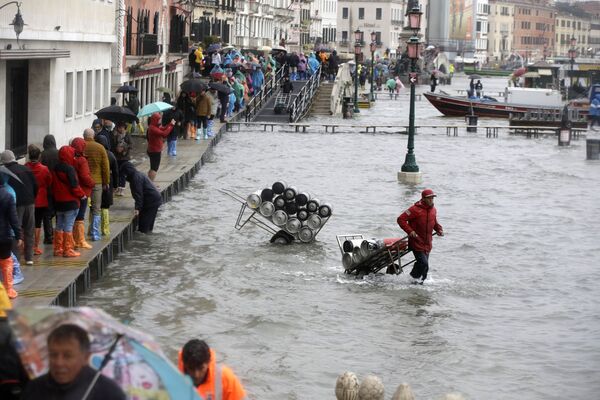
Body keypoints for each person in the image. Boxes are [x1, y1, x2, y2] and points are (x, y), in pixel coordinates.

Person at [21, 324, 126, 400]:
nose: (59, 363)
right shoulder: (34, 388)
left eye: (67, 356)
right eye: (53, 355)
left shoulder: (108, 393)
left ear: (85, 357)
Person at [397, 189, 444, 284]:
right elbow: (400, 219)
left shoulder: (433, 210)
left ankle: (419, 285)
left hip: (427, 243)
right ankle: (411, 280)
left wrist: (439, 229)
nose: (431, 200)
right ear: (423, 199)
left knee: (425, 267)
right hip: (416, 242)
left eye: (432, 198)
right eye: (429, 198)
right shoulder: (414, 209)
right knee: (423, 263)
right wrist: (410, 231)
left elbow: (434, 223)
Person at [0, 150, 38, 266]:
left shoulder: (6, 173)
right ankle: (29, 257)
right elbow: (36, 185)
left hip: (16, 204)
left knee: (15, 230)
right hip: (30, 203)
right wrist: (32, 198)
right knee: (29, 230)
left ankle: (15, 258)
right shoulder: (26, 169)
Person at [178, 339, 247, 400]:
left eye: (201, 368)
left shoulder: (225, 377)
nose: (196, 375)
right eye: (191, 368)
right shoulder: (173, 377)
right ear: (184, 364)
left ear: (208, 362)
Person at [52, 146, 86, 258]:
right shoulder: (70, 169)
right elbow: (74, 186)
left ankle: (58, 248)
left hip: (58, 202)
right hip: (70, 202)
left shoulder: (55, 168)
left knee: (59, 225)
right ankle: (68, 249)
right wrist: (82, 195)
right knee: (68, 225)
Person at [119, 162, 162, 234]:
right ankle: (148, 234)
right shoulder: (138, 174)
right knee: (149, 224)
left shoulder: (135, 179)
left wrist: (137, 208)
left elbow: (138, 195)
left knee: (143, 227)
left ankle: (144, 238)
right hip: (154, 199)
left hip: (151, 201)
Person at [83, 128, 110, 241]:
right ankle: (95, 233)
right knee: (96, 208)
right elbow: (105, 167)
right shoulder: (100, 148)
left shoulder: (81, 146)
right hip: (97, 182)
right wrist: (106, 182)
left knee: (81, 208)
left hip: (83, 182)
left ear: (83, 136)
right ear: (93, 136)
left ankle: (77, 235)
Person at [25, 145, 52, 256]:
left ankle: (27, 246)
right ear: (39, 156)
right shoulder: (44, 169)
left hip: (29, 198)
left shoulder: (26, 167)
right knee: (37, 224)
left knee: (27, 223)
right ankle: (35, 247)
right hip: (41, 199)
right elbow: (49, 182)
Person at [0, 167, 22, 299]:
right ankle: (8, 289)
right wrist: (18, 235)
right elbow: (14, 219)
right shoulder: (8, 196)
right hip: (4, 236)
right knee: (6, 261)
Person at [70, 138, 96, 249]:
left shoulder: (70, 159)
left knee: (73, 216)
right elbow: (85, 176)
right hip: (83, 192)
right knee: (80, 216)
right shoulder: (82, 160)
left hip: (72, 191)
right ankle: (80, 240)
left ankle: (72, 240)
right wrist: (93, 183)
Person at [94, 135, 118, 237]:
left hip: (96, 181)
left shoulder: (94, 153)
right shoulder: (111, 155)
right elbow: (116, 171)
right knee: (105, 206)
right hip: (108, 182)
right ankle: (106, 229)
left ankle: (93, 229)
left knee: (94, 207)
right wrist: (116, 185)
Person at [147, 112, 175, 182]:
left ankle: (149, 182)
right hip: (154, 151)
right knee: (154, 168)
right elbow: (164, 134)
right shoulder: (153, 128)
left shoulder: (155, 126)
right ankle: (151, 184)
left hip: (154, 150)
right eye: (159, 119)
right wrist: (171, 125)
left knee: (153, 167)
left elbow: (164, 128)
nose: (160, 121)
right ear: (155, 120)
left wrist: (170, 124)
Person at [111, 121, 133, 195]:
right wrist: (116, 148)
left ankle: (122, 189)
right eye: (119, 128)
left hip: (125, 157)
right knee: (117, 173)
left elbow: (131, 145)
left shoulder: (127, 135)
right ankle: (117, 188)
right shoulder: (115, 135)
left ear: (125, 128)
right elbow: (112, 145)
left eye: (122, 128)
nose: (120, 129)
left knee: (123, 173)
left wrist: (123, 148)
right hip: (117, 157)